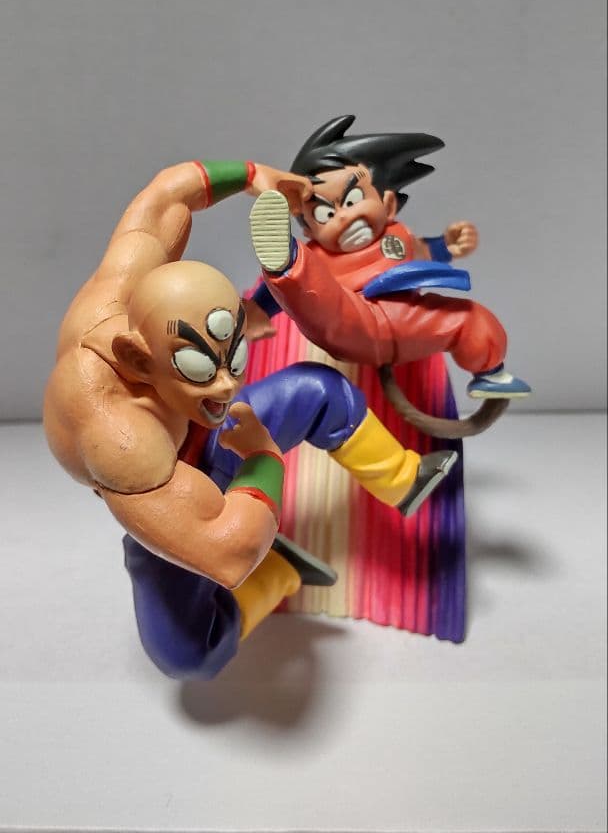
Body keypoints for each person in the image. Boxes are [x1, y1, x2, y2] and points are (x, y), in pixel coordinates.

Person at [44, 157, 455, 679]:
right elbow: (228, 554)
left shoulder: (121, 286)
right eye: (199, 367)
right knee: (186, 656)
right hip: (173, 495)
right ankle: (279, 573)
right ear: (139, 360)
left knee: (317, 391)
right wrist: (263, 455)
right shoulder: (120, 440)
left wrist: (251, 174)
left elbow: (167, 195)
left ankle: (405, 479)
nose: (225, 384)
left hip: (211, 435)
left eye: (233, 356)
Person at [249, 116, 531, 399]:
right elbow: (283, 297)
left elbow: (423, 254)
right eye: (325, 214)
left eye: (352, 200)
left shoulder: (397, 237)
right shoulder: (319, 257)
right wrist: (258, 310)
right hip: (351, 321)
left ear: (388, 204)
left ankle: (491, 375)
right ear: (309, 230)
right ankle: (286, 260)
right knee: (316, 292)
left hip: (408, 321)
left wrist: (448, 246)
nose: (344, 217)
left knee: (470, 317)